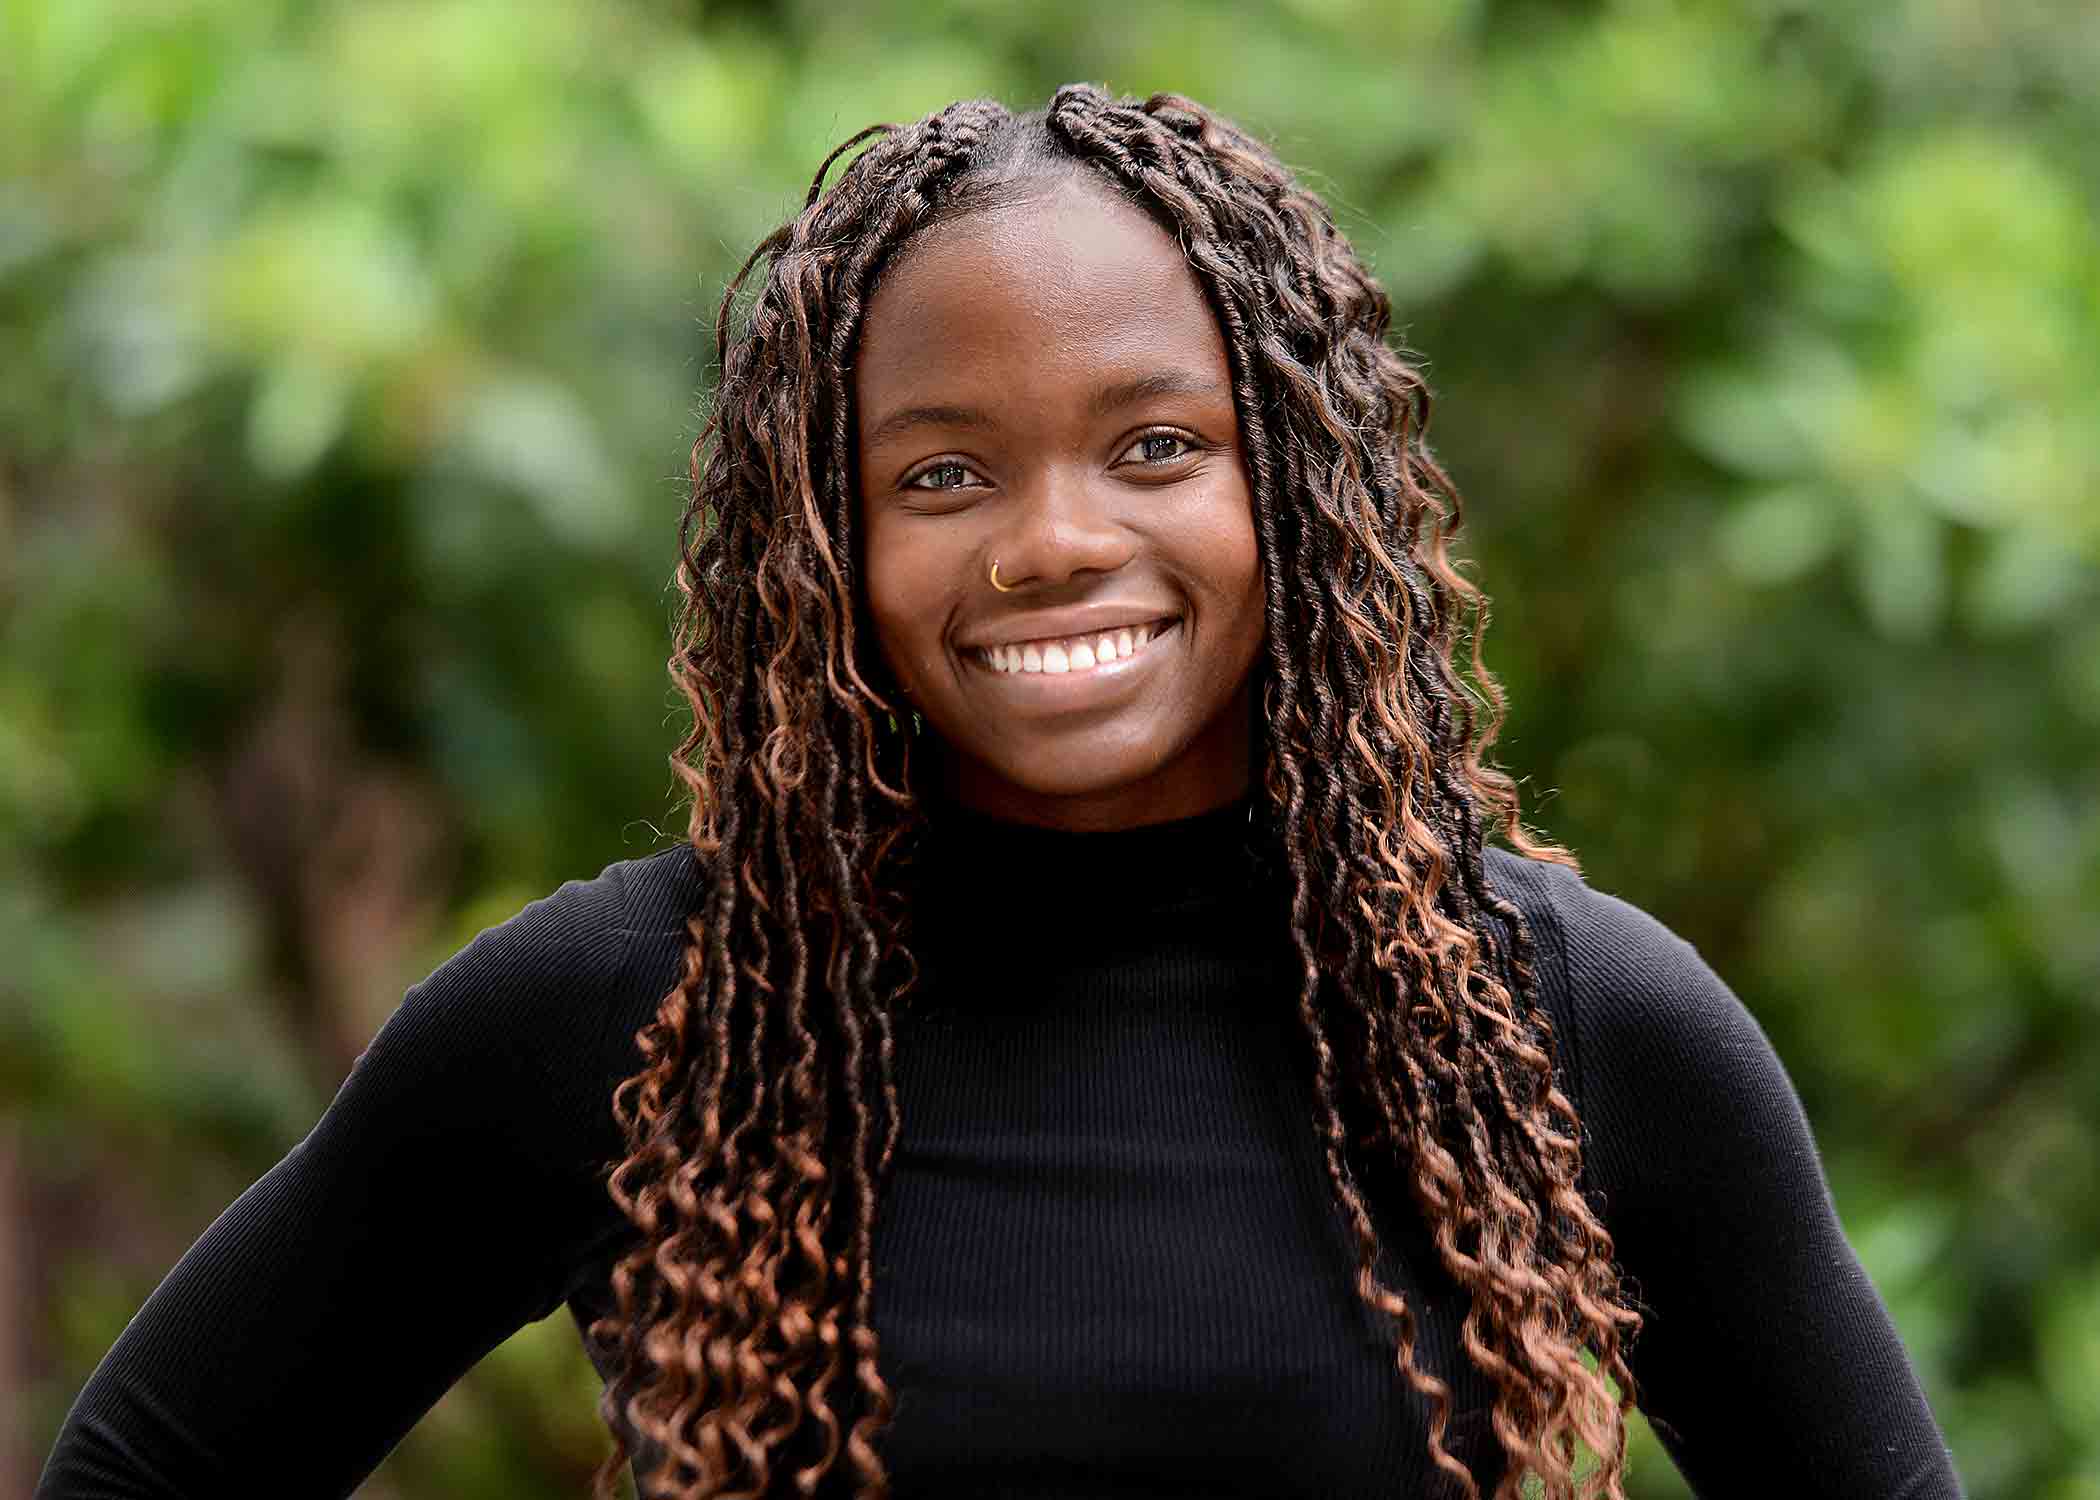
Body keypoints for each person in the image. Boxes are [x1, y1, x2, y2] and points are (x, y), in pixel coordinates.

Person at [36, 84, 1963, 1500]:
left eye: (1152, 445)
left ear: (1288, 489)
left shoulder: (1560, 1022)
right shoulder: (642, 1021)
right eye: (943, 476)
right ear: (826, 542)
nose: (1054, 542)